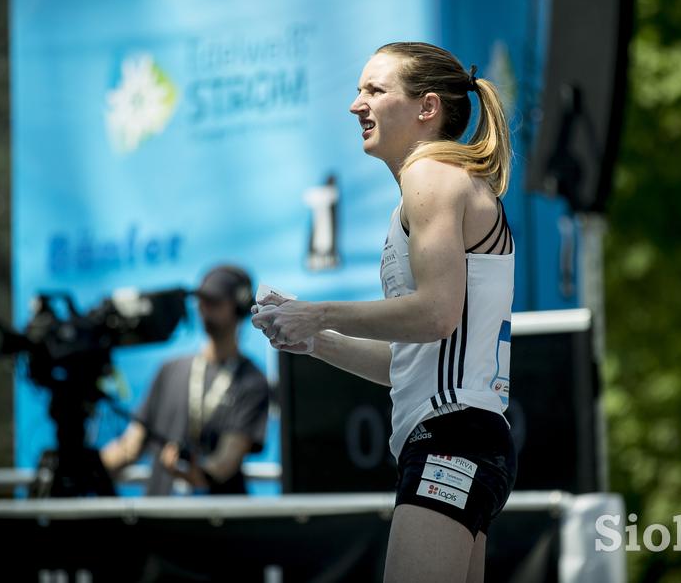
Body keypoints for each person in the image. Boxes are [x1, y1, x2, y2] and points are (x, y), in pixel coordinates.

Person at [252, 42, 517, 583]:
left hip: (453, 439)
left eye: (374, 89)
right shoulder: (433, 183)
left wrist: (318, 311)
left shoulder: (433, 175)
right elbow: (410, 361)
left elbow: (437, 315)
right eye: (357, 90)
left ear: (427, 108)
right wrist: (313, 336)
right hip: (461, 440)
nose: (356, 105)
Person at [100, 264, 270, 496]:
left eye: (215, 301)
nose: (204, 308)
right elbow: (130, 447)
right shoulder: (169, 370)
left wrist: (194, 473)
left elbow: (223, 465)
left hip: (216, 523)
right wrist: (84, 467)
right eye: (201, 300)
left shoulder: (252, 381)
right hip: (158, 520)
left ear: (239, 307)